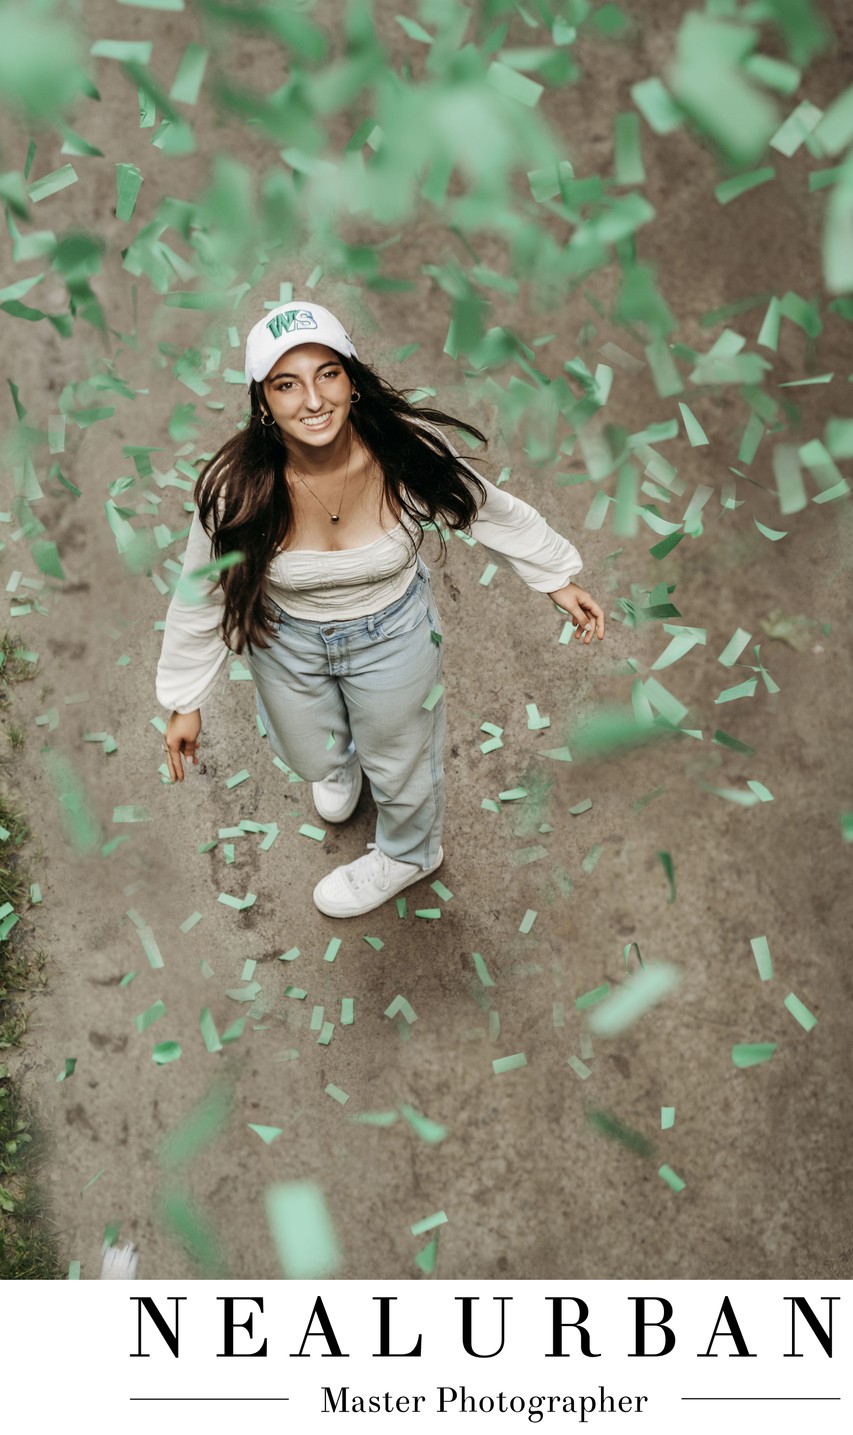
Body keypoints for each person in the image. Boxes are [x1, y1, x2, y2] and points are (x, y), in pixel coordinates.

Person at [156, 300, 605, 918]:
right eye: (288, 384)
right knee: (310, 753)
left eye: (328, 375)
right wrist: (186, 700)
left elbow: (486, 507)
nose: (313, 401)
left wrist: (556, 576)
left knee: (402, 761)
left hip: (392, 631)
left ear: (351, 380)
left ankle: (411, 854)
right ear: (263, 401)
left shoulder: (403, 450)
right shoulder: (237, 488)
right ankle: (340, 762)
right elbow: (201, 590)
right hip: (284, 638)